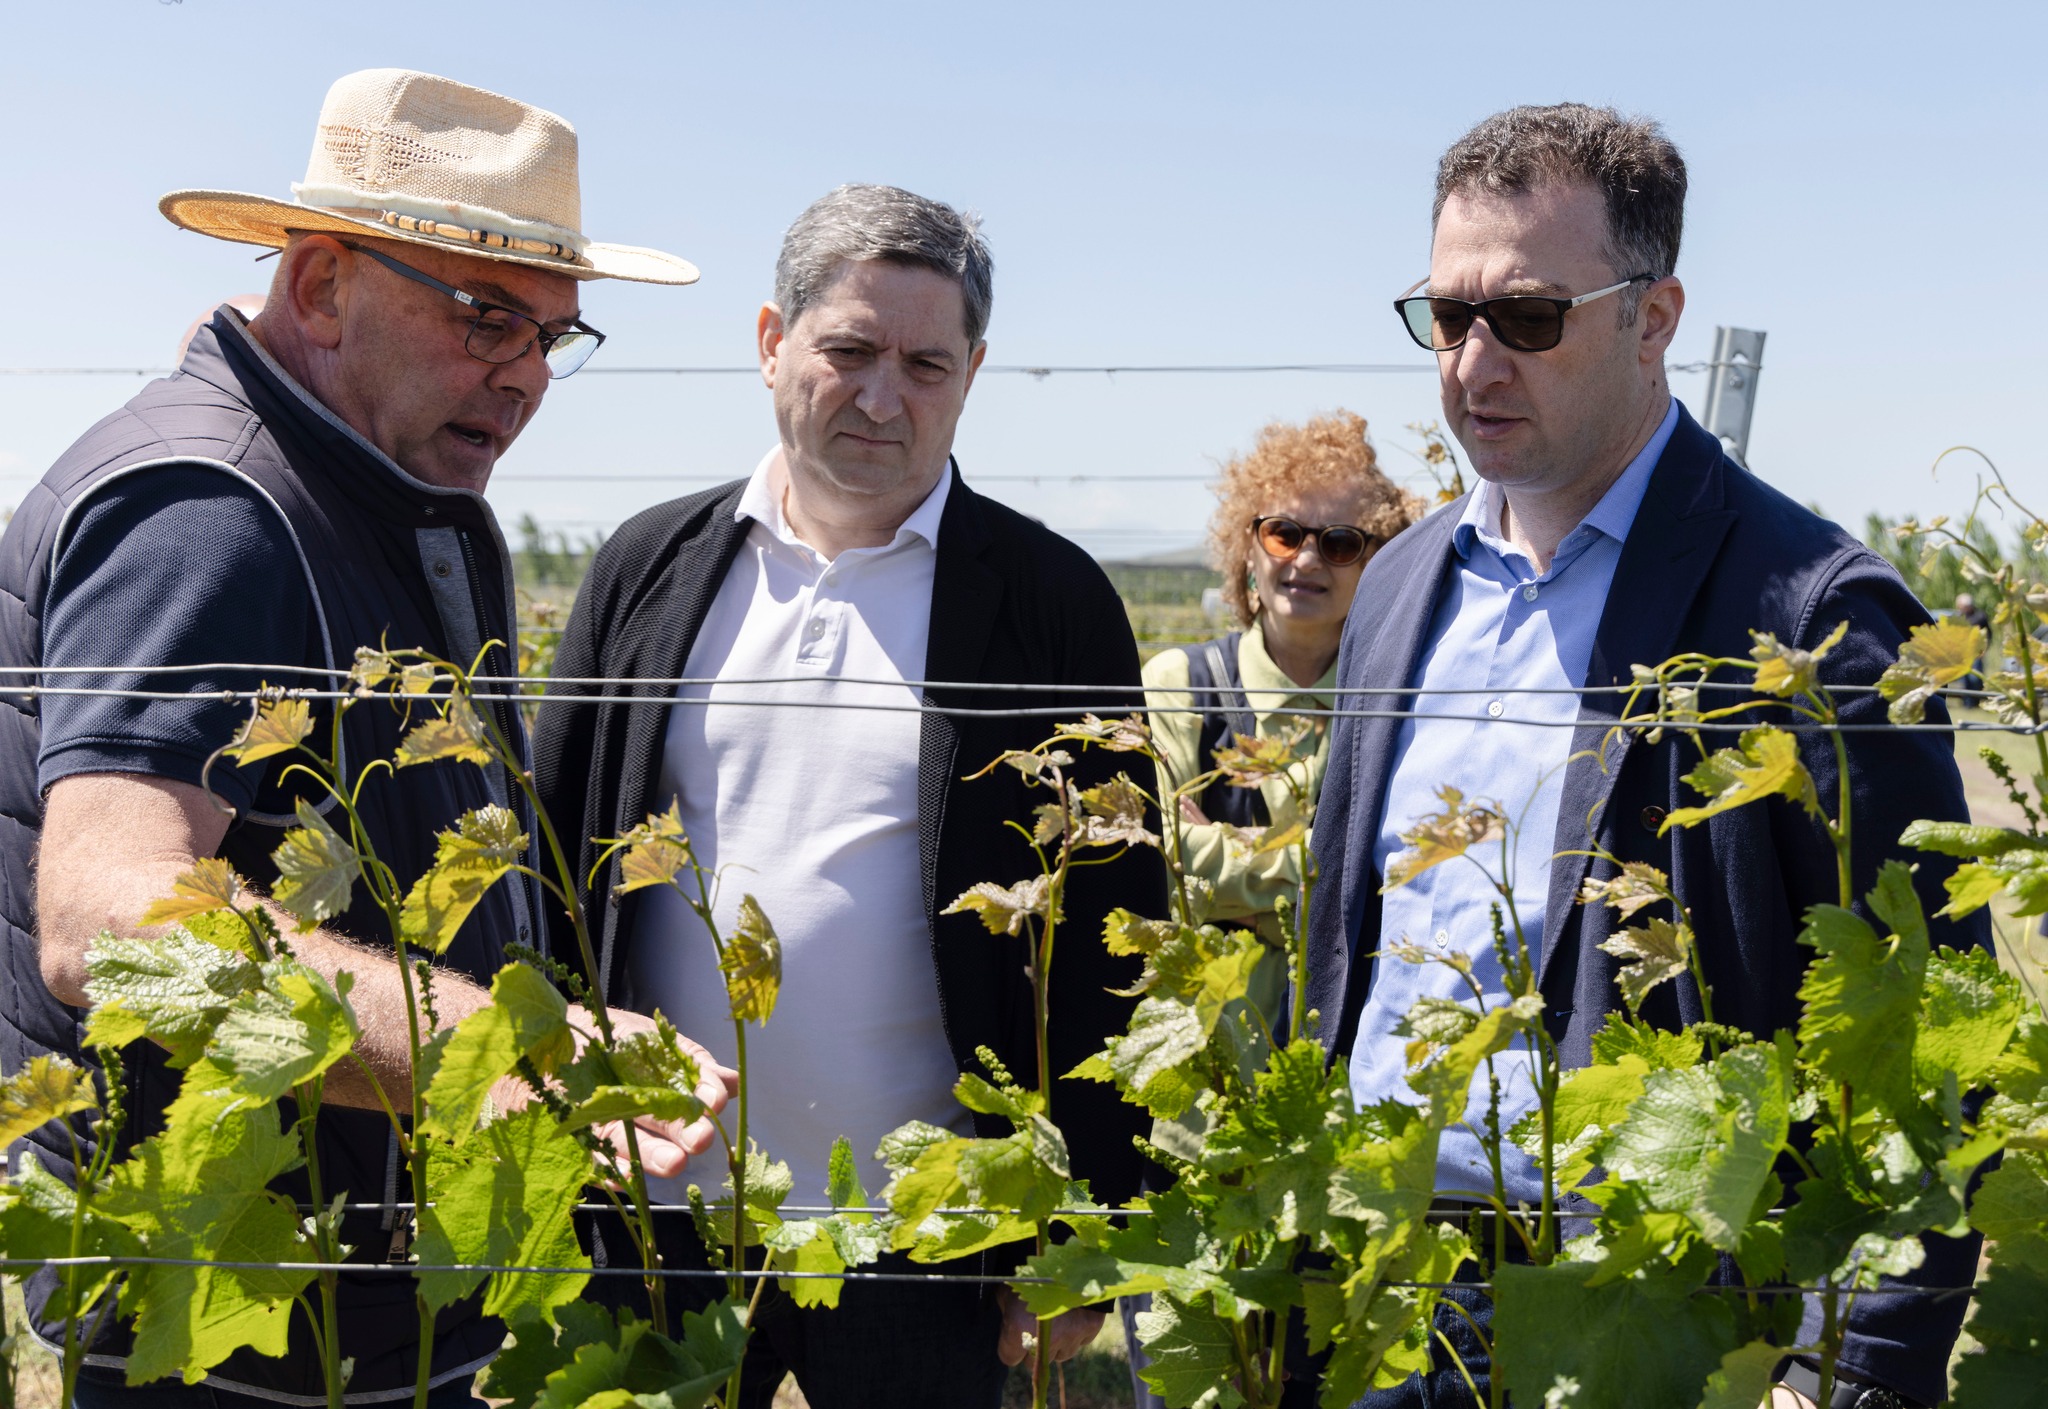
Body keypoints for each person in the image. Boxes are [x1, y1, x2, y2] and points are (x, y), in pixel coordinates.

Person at [0, 69, 720, 1408]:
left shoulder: (358, 485)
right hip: (243, 1315)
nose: (526, 375)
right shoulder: (211, 510)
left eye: (552, 335)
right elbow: (107, 922)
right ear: (321, 285)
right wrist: (503, 1046)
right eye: (484, 315)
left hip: (329, 1298)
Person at [1302, 103, 1986, 1409]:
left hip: (1660, 1311)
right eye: (1446, 315)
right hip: (1380, 1283)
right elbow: (1345, 943)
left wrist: (1847, 1368)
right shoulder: (1396, 586)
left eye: (1528, 317)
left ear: (1652, 317)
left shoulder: (1809, 615)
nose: (1474, 362)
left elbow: (1921, 1027)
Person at [532, 184, 1164, 1409]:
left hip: (926, 1231)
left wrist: (1079, 1224)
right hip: (660, 1208)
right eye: (850, 351)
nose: (883, 397)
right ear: (772, 340)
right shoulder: (647, 568)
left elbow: (1112, 933)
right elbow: (556, 866)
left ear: (972, 373)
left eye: (925, 364)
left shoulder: (1052, 601)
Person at [1124, 412, 1421, 1408]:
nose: (1306, 559)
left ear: (1378, 561)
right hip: (1195, 1128)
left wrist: (1227, 853)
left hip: (1342, 1131)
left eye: (1341, 541)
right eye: (1284, 530)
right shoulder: (1181, 683)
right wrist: (1326, 864)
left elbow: (1403, 873)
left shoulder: (1396, 707)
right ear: (1245, 544)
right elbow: (1159, 864)